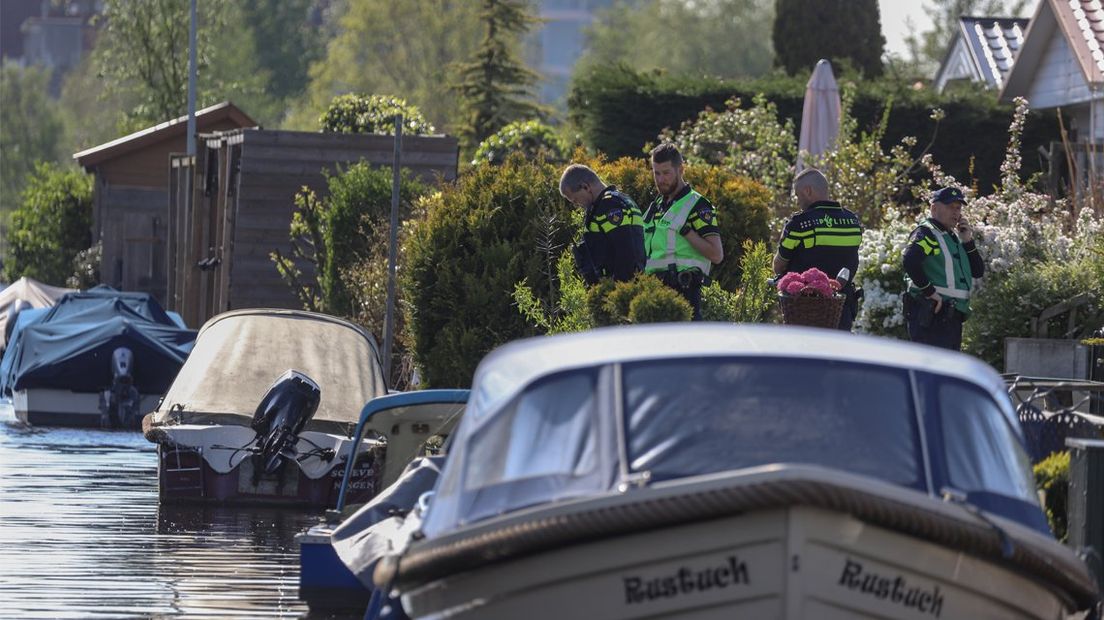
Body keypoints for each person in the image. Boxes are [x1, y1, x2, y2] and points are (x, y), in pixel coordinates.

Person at [773, 168, 862, 330]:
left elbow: (779, 265)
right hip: (841, 308)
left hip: (804, 310)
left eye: (798, 195)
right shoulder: (853, 222)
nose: (798, 200)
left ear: (808, 191)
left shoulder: (799, 223)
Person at [643, 144, 723, 320]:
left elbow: (716, 255)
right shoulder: (656, 206)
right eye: (656, 173)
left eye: (666, 173)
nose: (660, 179)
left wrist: (686, 231)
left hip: (683, 291)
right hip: (652, 291)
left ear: (681, 169)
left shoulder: (697, 204)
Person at [902, 186, 985, 351]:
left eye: (958, 208)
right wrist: (930, 292)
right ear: (934, 209)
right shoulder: (928, 233)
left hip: (950, 318)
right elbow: (910, 260)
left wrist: (967, 241)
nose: (955, 212)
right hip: (932, 317)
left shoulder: (952, 236)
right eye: (949, 207)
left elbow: (978, 271)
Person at [559, 164, 645, 284]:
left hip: (622, 287)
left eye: (575, 199)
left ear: (585, 187)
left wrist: (615, 291)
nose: (576, 204)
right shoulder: (620, 199)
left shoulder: (609, 205)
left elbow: (625, 252)